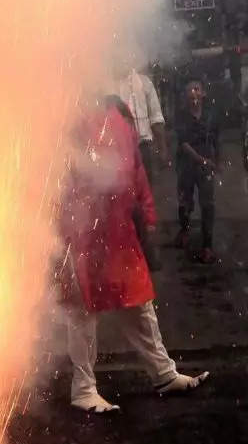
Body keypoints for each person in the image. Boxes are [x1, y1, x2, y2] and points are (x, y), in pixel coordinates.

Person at [60, 98, 208, 413]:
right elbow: (54, 182)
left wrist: (148, 217)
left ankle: (164, 374)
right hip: (82, 233)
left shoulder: (116, 115)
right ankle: (83, 389)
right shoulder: (64, 119)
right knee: (82, 311)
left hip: (117, 231)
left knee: (139, 307)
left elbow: (136, 173)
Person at [174, 80, 219, 264]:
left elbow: (216, 140)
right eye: (190, 91)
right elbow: (184, 144)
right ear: (186, 96)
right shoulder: (181, 116)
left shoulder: (210, 115)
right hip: (187, 165)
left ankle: (207, 245)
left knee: (208, 204)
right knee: (185, 201)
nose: (194, 94)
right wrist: (202, 160)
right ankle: (184, 230)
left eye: (197, 89)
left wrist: (217, 161)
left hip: (206, 165)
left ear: (203, 93)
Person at [116, 64, 167, 180]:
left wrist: (162, 147)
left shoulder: (145, 82)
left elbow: (156, 116)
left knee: (146, 187)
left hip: (144, 147)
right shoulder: (110, 85)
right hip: (120, 150)